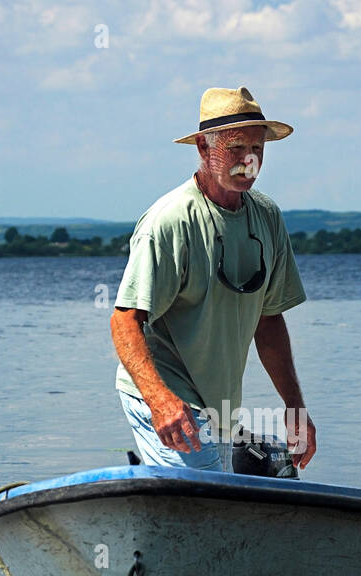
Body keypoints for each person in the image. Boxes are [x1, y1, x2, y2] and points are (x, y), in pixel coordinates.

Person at [110, 85, 316, 473]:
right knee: (205, 497)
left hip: (219, 405)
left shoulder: (267, 217)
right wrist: (160, 402)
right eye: (236, 148)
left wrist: (295, 409)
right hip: (164, 391)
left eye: (257, 148)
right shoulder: (169, 221)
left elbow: (268, 320)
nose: (249, 160)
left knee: (213, 505)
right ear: (203, 147)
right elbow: (123, 321)